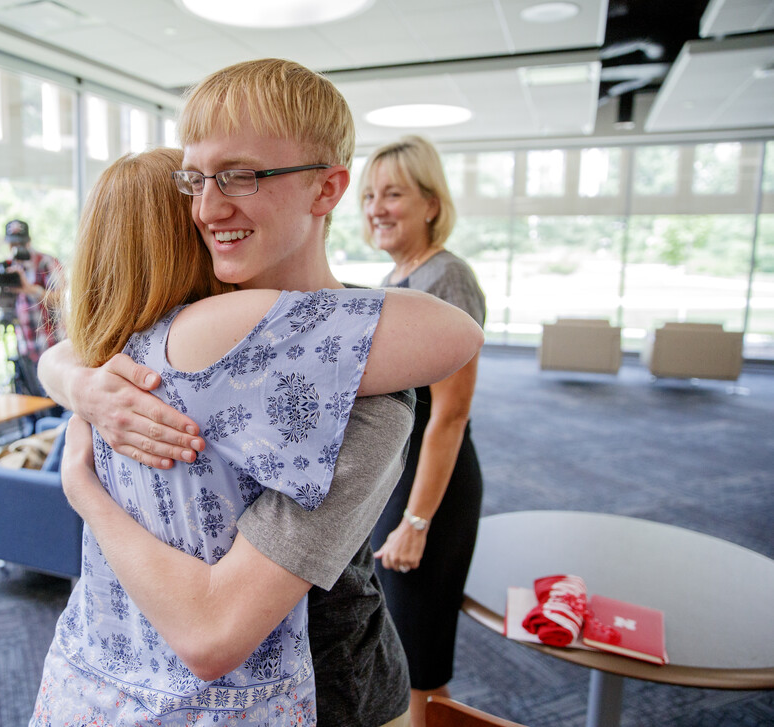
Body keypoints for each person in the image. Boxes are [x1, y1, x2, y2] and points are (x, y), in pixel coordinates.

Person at [37, 59, 476, 726]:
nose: (208, 207)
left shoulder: (368, 389)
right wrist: (79, 382)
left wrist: (83, 485)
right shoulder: (178, 329)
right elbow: (73, 348)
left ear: (328, 189)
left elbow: (457, 333)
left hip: (329, 689)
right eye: (195, 179)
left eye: (241, 175)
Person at [363, 135, 486, 727]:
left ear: (431, 203)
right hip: (398, 474)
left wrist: (416, 522)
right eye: (369, 195)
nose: (376, 208)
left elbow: (451, 414)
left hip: (431, 486)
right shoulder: (401, 273)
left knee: (419, 644)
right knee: (393, 630)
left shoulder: (448, 278)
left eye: (393, 194)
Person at [0, 218, 66, 364]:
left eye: (20, 243)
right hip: (25, 347)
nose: (17, 248)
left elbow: (60, 299)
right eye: (13, 244)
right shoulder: (9, 267)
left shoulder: (46, 262)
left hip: (52, 345)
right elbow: (3, 305)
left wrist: (30, 289)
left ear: (29, 241)